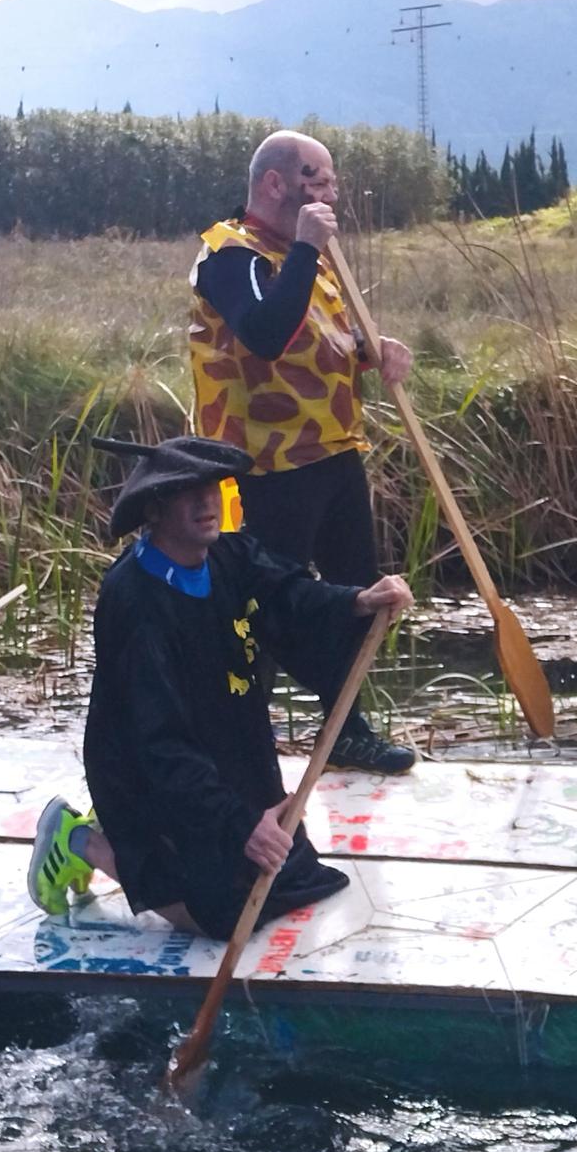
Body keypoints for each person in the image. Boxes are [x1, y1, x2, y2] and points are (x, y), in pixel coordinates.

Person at [25, 435, 413, 939]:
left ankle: (184, 839)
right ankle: (81, 840)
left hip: (232, 754)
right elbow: (155, 741)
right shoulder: (135, 601)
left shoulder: (229, 554)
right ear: (156, 508)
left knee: (292, 879)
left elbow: (289, 594)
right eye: (189, 493)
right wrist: (239, 824)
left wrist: (357, 600)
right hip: (150, 772)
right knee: (221, 917)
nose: (207, 503)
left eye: (213, 489)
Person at [187, 128, 417, 775]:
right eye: (315, 181)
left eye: (331, 183)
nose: (328, 196)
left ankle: (347, 728)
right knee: (265, 606)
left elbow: (323, 336)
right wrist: (309, 248)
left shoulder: (308, 260)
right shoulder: (228, 256)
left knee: (357, 595)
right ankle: (240, 744)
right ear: (274, 184)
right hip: (263, 467)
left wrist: (375, 349)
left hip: (333, 453)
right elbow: (264, 332)